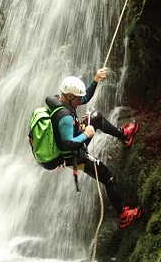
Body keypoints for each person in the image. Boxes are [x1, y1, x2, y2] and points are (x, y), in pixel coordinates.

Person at [42, 68, 143, 228]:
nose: (81, 100)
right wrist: (86, 135)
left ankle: (124, 136)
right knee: (108, 177)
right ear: (69, 97)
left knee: (95, 117)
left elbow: (85, 98)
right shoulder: (65, 117)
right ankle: (123, 215)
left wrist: (95, 80)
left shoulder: (60, 100)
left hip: (72, 144)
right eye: (78, 98)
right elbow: (69, 142)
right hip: (74, 155)